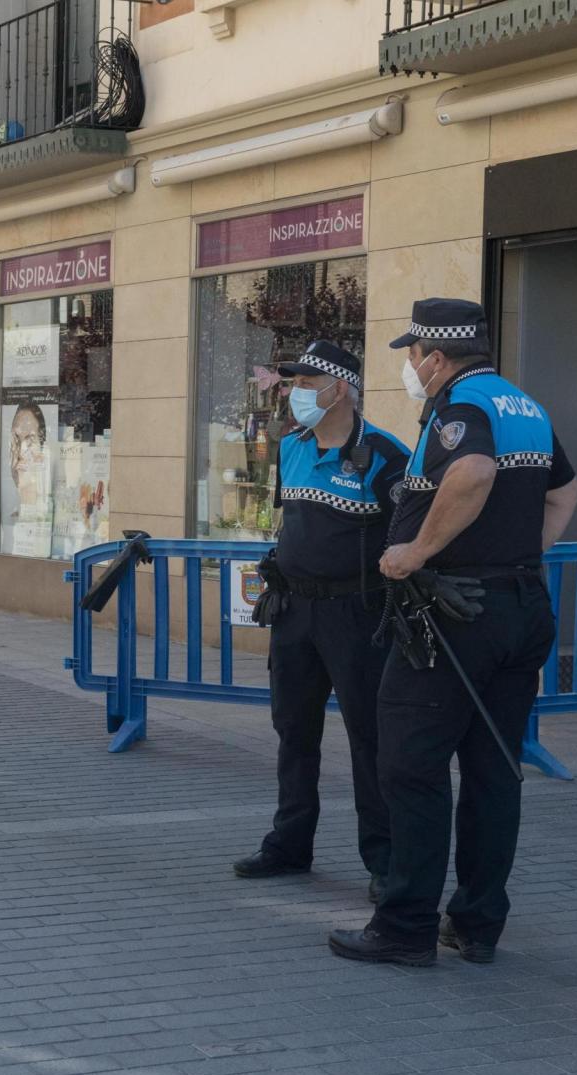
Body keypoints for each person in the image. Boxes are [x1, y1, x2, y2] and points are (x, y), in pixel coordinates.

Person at [329, 299, 577, 968]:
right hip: (517, 607)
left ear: (437, 357)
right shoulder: (522, 406)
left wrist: (415, 551)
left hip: (454, 617)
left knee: (410, 767)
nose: (411, 368)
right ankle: (476, 923)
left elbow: (472, 472)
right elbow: (566, 492)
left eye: (413, 355)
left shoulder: (460, 408)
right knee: (495, 769)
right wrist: (523, 558)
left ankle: (405, 925)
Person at [231, 342, 405, 905]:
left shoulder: (386, 454)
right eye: (292, 381)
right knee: (293, 732)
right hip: (295, 611)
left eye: (308, 380)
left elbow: (406, 535)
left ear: (343, 388)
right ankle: (289, 843)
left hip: (357, 614)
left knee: (369, 739)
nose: (296, 391)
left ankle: (384, 862)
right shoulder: (292, 448)